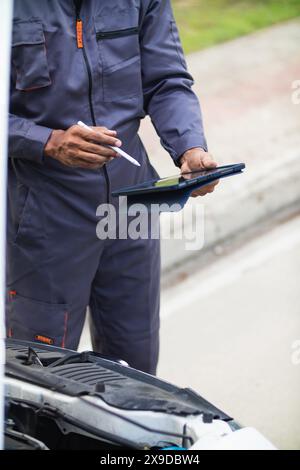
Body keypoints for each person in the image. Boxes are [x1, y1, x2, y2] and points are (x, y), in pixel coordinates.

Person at [6, 0, 218, 374]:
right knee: (43, 371)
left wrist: (190, 147)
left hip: (130, 205)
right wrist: (48, 141)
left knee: (134, 366)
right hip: (45, 210)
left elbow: (166, 80)